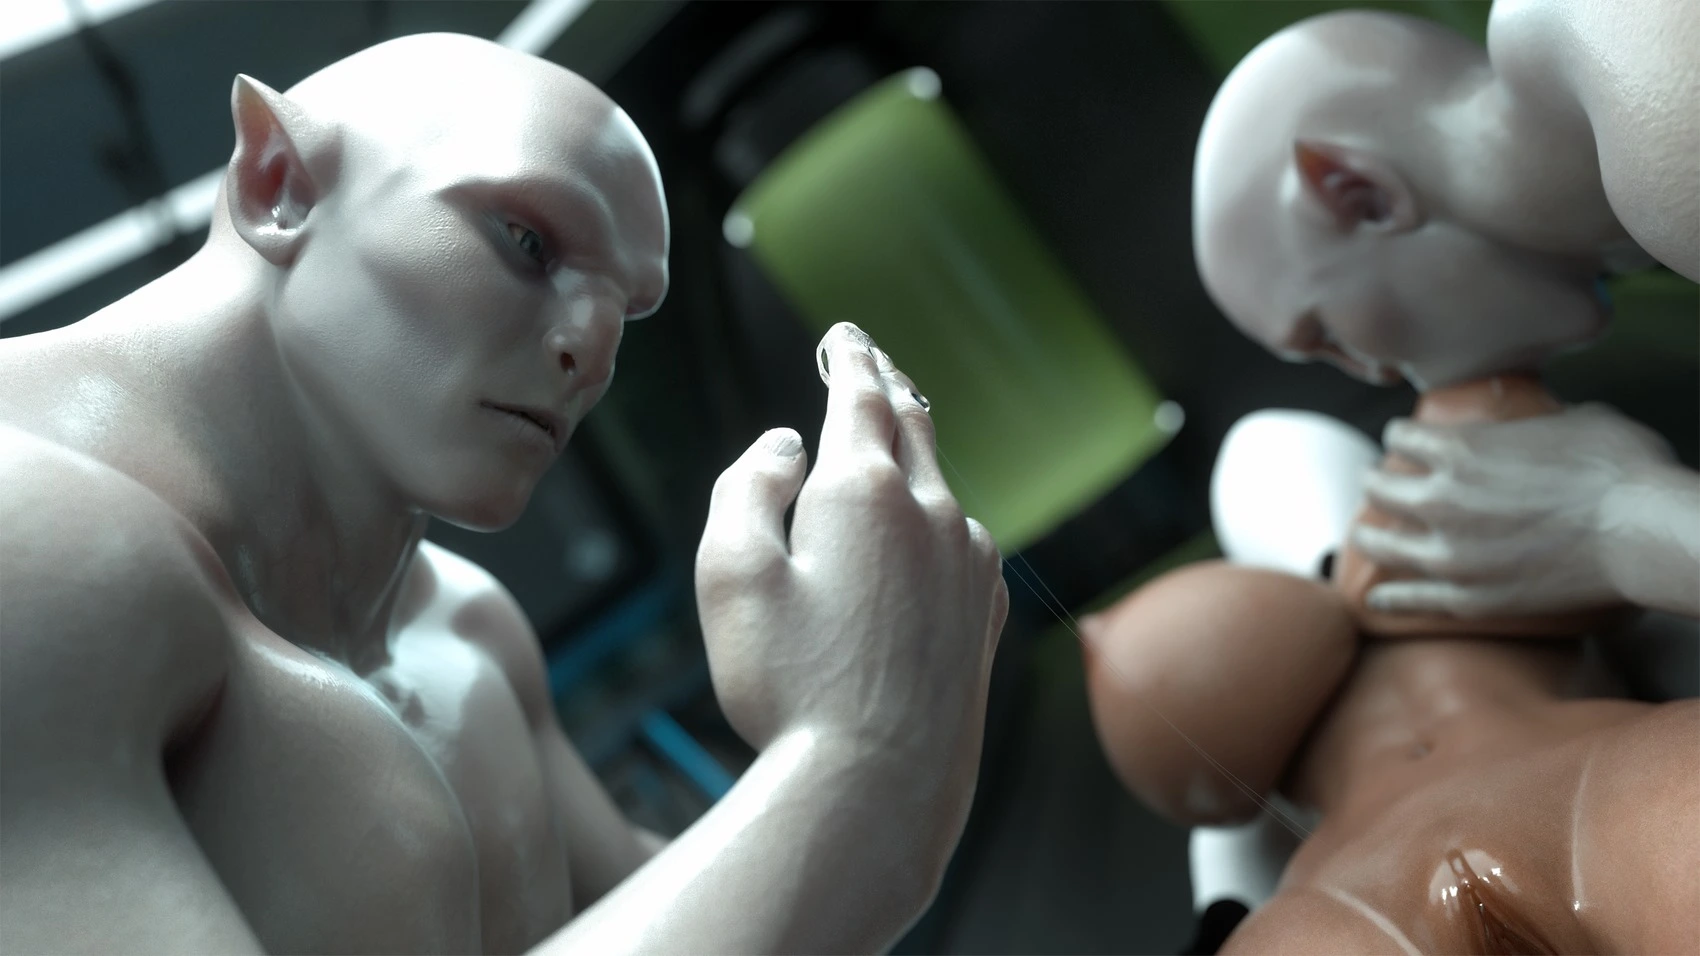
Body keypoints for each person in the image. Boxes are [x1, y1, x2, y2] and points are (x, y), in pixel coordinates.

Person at [0, 33, 1009, 955]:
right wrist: (859, 764)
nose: (590, 353)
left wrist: (854, 757)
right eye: (527, 242)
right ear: (277, 184)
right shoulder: (26, 534)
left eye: (624, 312)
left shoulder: (469, 629)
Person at [1081, 390, 1699, 954]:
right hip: (1585, 797)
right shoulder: (1246, 819)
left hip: (1562, 808)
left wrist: (1623, 522)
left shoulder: (1518, 564)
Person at [1191, 4, 1699, 622]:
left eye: (1326, 334)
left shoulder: (1654, 115)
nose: (1377, 373)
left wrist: (1619, 523)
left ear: (1363, 197)